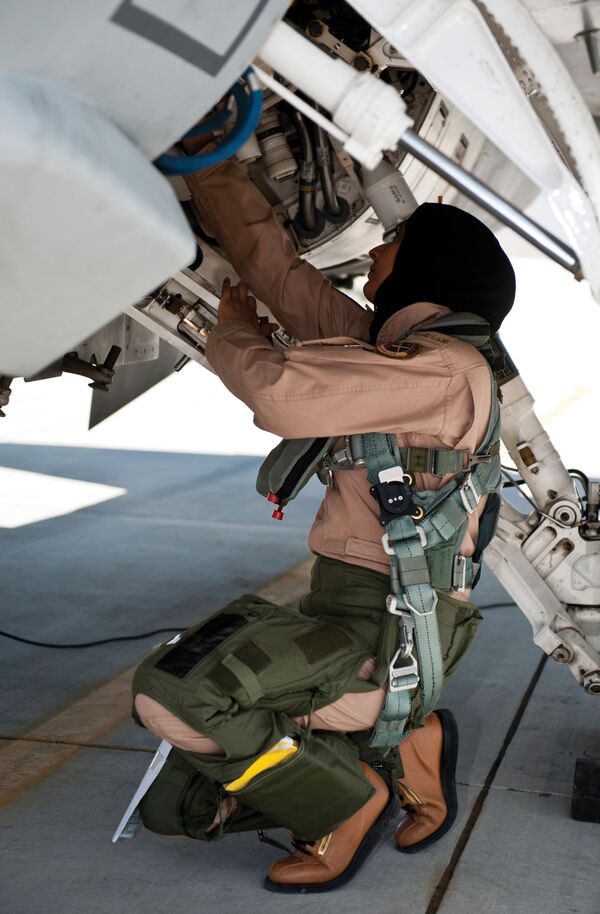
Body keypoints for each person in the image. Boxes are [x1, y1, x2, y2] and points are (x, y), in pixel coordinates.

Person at [130, 149, 515, 892]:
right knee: (176, 809)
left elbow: (278, 394)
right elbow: (278, 274)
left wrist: (233, 331)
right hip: (344, 610)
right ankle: (402, 742)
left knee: (174, 695)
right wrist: (207, 162)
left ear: (427, 267)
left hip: (392, 632)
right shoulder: (390, 350)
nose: (373, 247)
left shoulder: (447, 373)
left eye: (393, 243)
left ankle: (352, 796)